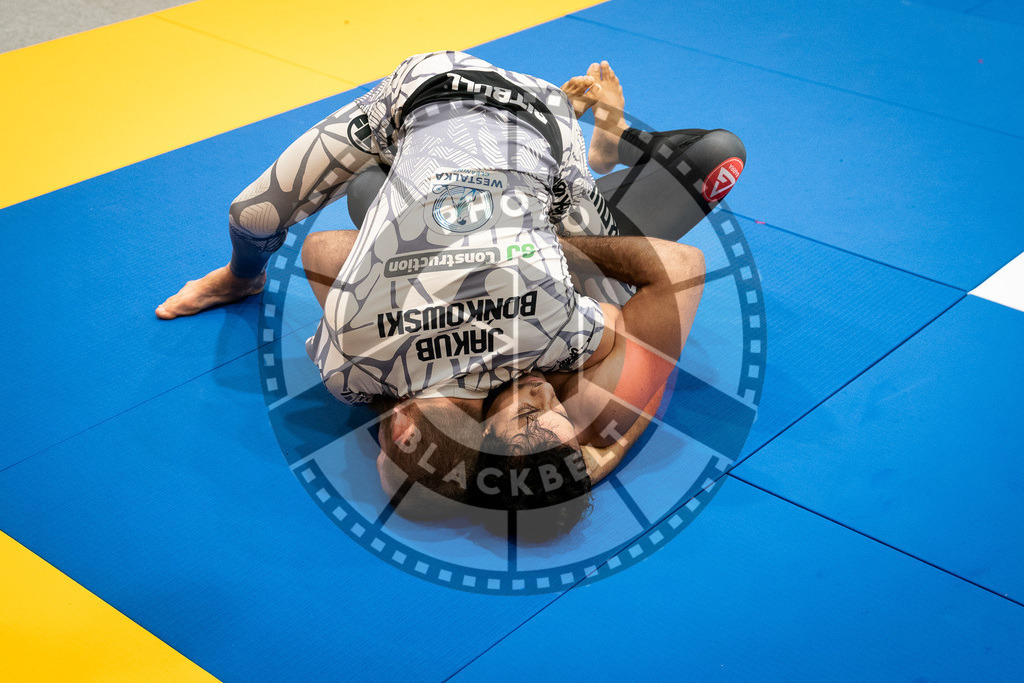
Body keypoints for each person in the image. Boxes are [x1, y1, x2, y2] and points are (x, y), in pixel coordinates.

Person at [158, 54, 744, 537]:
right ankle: (604, 148)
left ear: (479, 432)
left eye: (527, 410)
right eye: (558, 412)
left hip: (427, 95)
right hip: (538, 128)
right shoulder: (562, 338)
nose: (541, 394)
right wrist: (524, 245)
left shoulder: (359, 371)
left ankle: (263, 261)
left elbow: (325, 251)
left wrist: (465, 253)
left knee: (256, 215)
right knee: (716, 158)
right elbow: (679, 269)